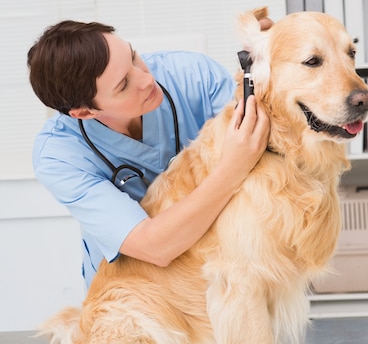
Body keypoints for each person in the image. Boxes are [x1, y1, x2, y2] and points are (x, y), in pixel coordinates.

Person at [27, 20, 270, 287]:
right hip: (138, 291)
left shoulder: (193, 75)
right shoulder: (59, 155)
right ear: (85, 112)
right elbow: (154, 247)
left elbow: (265, 148)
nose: (146, 79)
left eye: (133, 57)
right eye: (123, 85)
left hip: (224, 268)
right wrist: (232, 168)